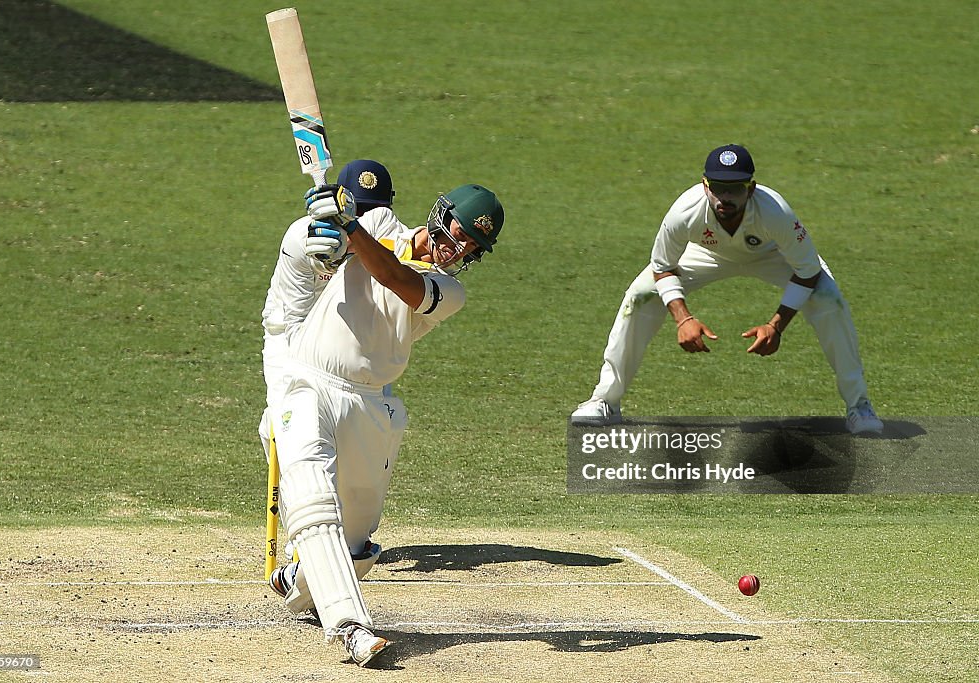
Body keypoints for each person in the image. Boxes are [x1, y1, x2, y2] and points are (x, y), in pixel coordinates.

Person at [269, 182, 505, 666]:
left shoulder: (449, 290)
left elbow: (393, 274)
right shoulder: (378, 224)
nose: (460, 248)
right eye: (461, 232)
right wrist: (326, 229)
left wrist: (350, 226)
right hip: (310, 381)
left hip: (371, 404)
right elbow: (328, 257)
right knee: (313, 497)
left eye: (473, 248)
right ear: (440, 213)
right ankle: (351, 628)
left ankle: (298, 582)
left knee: (356, 540)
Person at [570, 144, 883, 435]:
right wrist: (682, 318)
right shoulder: (685, 211)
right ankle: (605, 400)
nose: (725, 198)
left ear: (751, 188)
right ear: (706, 186)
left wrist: (776, 325)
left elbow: (808, 270)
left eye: (734, 189)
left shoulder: (776, 213)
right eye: (718, 188)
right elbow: (662, 266)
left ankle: (859, 406)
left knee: (829, 299)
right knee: (641, 296)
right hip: (705, 252)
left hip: (771, 254)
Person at [259, 160, 395, 562]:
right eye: (360, 210)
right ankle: (303, 542)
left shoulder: (386, 235)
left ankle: (352, 537)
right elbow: (314, 254)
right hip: (292, 339)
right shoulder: (305, 233)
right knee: (285, 430)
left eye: (374, 211)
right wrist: (329, 257)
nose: (366, 220)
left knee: (372, 433)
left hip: (351, 346)